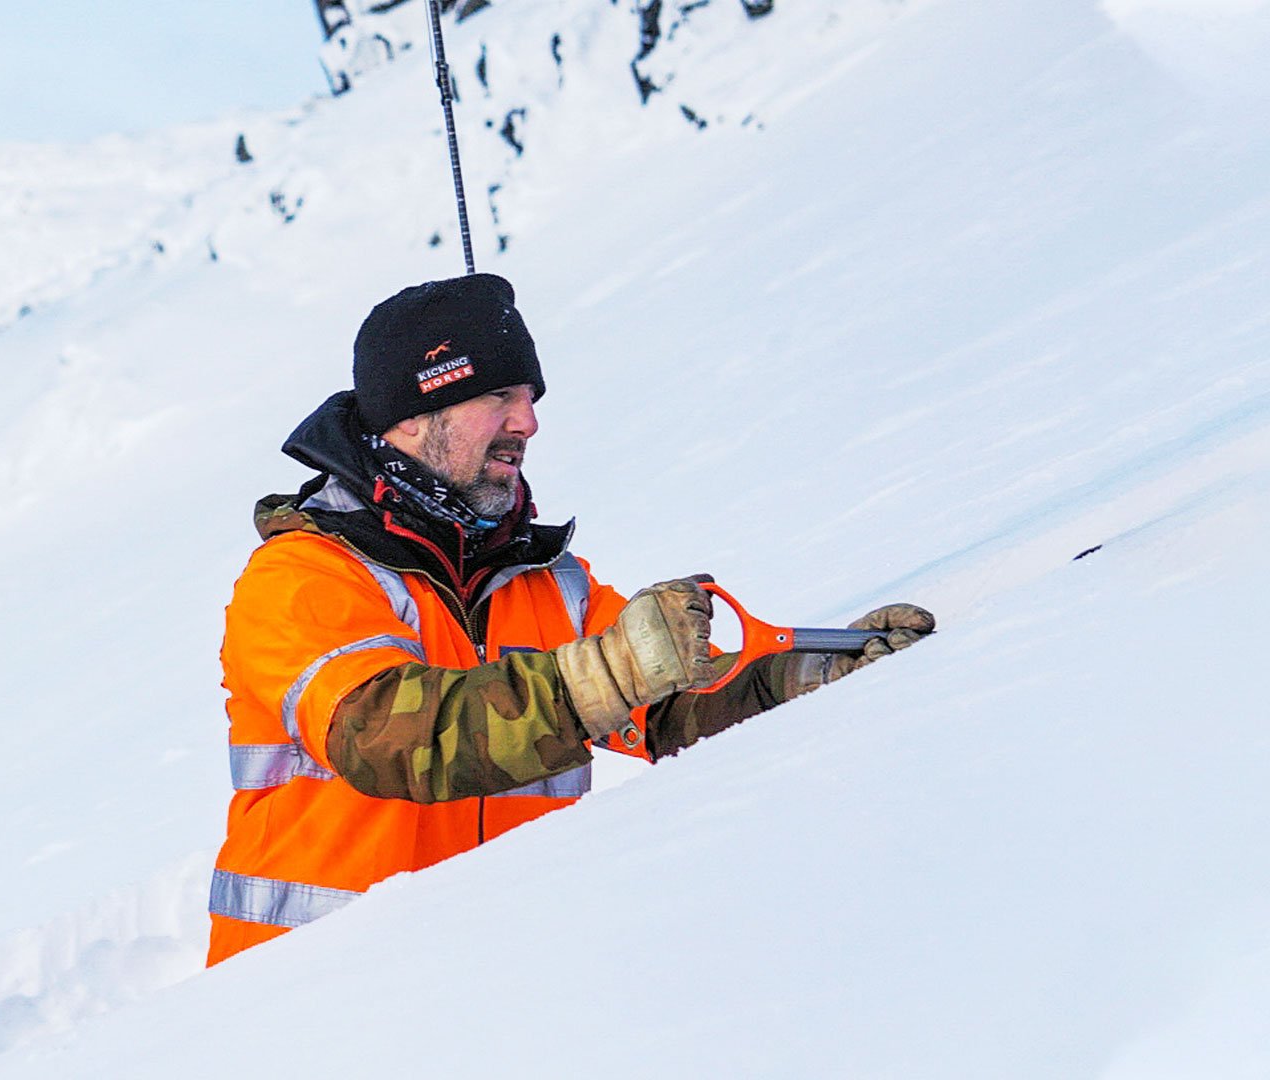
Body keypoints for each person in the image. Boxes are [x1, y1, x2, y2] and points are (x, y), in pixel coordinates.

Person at [207, 274, 933, 965]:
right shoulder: (302, 578)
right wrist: (601, 676)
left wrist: (792, 681)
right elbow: (391, 738)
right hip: (307, 1005)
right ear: (413, 414)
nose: (528, 422)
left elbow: (670, 705)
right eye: (499, 395)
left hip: (493, 985)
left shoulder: (547, 583)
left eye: (529, 396)